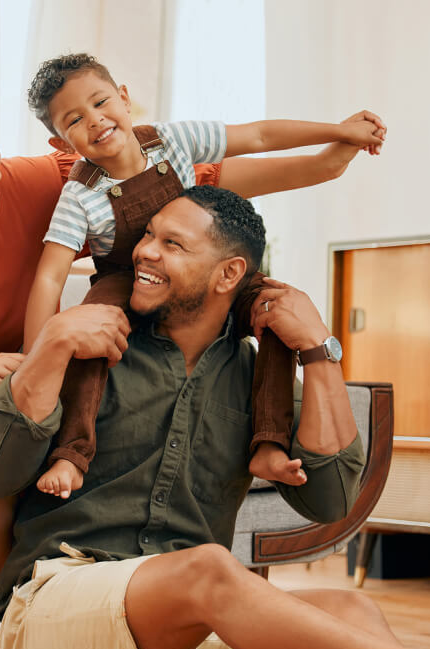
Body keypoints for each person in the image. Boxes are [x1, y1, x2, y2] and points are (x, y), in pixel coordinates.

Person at [0, 80, 384, 649]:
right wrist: (23, 366)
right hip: (4, 396)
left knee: (347, 611)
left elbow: (178, 174)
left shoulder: (40, 183)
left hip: (66, 406)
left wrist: (332, 158)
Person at [0, 186, 430, 649]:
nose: (145, 252)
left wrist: (318, 350)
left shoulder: (261, 382)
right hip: (55, 626)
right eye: (149, 236)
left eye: (172, 244)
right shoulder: (88, 344)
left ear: (228, 273)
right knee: (208, 568)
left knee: (350, 608)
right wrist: (53, 342)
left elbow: (331, 502)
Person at [22, 53, 386, 501]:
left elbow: (258, 134)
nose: (96, 121)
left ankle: (269, 443)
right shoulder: (79, 195)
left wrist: (339, 131)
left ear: (124, 97)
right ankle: (72, 453)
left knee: (278, 310)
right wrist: (35, 356)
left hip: (200, 264)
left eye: (100, 102)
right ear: (61, 143)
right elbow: (48, 279)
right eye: (75, 120)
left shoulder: (172, 140)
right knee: (90, 334)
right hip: (125, 276)